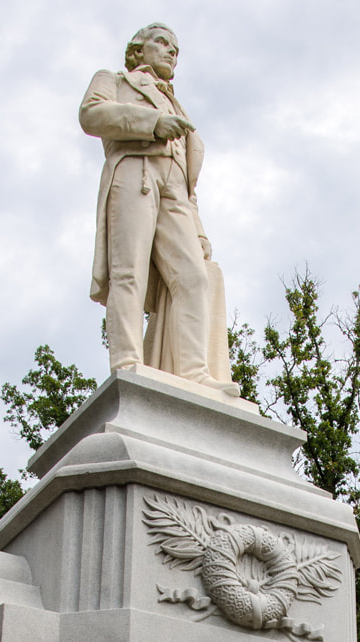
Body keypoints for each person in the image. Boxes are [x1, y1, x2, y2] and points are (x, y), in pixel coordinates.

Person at [80, 23, 239, 396]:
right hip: (136, 168)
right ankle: (127, 362)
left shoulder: (178, 104)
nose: (171, 52)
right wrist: (153, 123)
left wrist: (198, 230)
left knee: (194, 277)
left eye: (176, 49)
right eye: (162, 43)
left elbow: (188, 179)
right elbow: (92, 115)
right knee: (129, 270)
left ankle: (193, 370)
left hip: (176, 190)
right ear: (138, 50)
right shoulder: (114, 79)